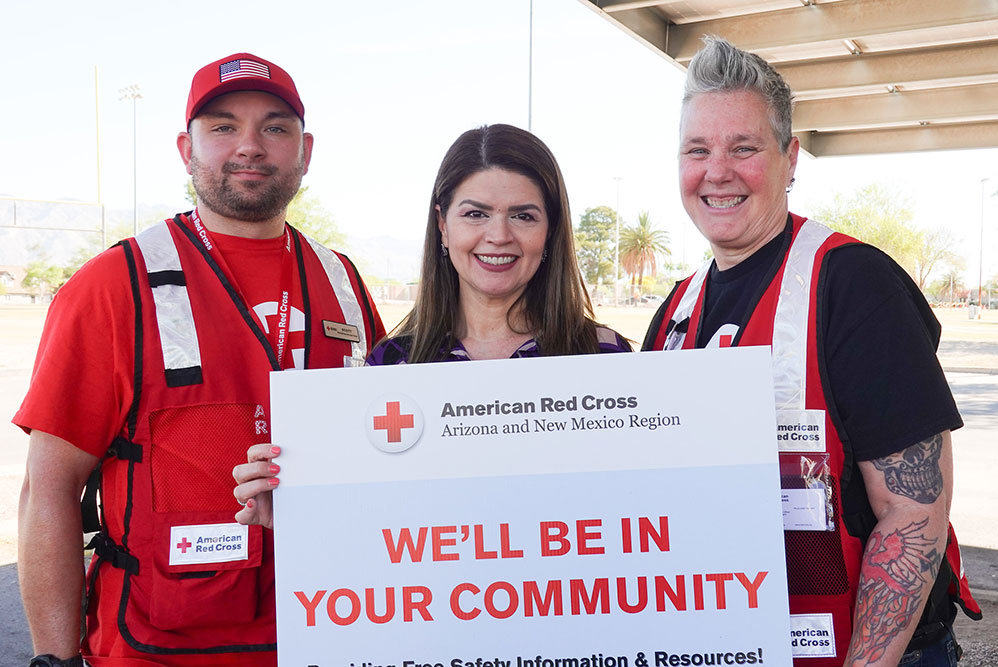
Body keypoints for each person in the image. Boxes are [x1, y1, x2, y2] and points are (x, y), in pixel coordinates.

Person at [15, 52, 384, 666]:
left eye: (274, 126)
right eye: (222, 126)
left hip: (328, 634)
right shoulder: (113, 285)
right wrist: (54, 660)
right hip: (156, 648)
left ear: (305, 149)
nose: (250, 146)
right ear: (186, 148)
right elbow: (49, 490)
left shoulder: (340, 278)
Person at [642, 36, 980, 667]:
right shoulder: (673, 314)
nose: (717, 171)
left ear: (790, 159)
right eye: (698, 150)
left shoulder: (853, 284)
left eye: (744, 148)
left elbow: (915, 512)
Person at [233, 123, 631, 527]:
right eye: (475, 214)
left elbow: (638, 508)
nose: (498, 235)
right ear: (443, 223)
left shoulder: (603, 357)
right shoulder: (391, 368)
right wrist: (294, 509)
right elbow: (366, 522)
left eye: (523, 216)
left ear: (550, 230)